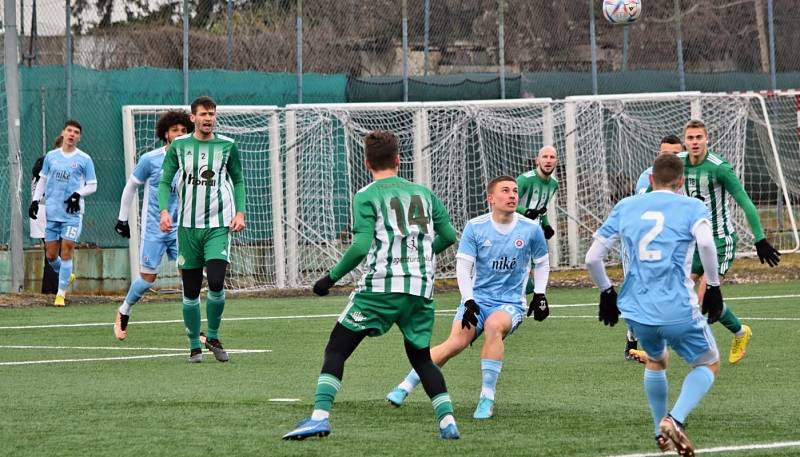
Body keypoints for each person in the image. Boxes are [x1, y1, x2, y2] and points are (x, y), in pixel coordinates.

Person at [283, 130, 460, 441]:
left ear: (367, 163)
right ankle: (447, 422)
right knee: (420, 357)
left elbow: (360, 247)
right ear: (398, 159)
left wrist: (329, 278)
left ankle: (319, 417)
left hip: (380, 289)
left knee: (336, 349)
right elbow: (448, 236)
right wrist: (418, 256)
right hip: (420, 289)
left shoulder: (366, 195)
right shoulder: (423, 193)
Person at [586, 153, 724, 456]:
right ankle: (674, 420)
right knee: (707, 362)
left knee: (656, 360)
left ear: (650, 179)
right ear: (681, 182)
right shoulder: (692, 206)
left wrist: (606, 291)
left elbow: (592, 257)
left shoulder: (626, 206)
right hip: (677, 306)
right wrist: (713, 284)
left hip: (638, 310)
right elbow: (706, 244)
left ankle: (658, 431)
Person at [385, 175, 550, 420]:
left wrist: (539, 294)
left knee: (495, 326)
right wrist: (469, 299)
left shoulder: (530, 228)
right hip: (476, 300)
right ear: (491, 198)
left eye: (515, 191)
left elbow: (542, 262)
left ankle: (486, 398)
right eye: (505, 191)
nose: (513, 195)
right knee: (455, 343)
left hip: (510, 304)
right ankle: (405, 386)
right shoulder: (476, 226)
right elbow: (463, 268)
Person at [681, 119, 780, 364]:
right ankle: (740, 331)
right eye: (690, 138)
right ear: (685, 140)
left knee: (704, 299)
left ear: (707, 139)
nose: (695, 142)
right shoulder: (679, 164)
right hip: (693, 243)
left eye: (699, 138)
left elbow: (744, 201)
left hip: (719, 241)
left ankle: (701, 353)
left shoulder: (719, 168)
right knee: (678, 293)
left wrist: (760, 239)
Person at [158, 96, 246, 363]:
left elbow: (239, 180)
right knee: (191, 290)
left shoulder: (227, 146)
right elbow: (164, 181)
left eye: (212, 114)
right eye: (203, 114)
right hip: (187, 227)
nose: (208, 118)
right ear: (192, 118)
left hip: (218, 225)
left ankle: (215, 335)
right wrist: (163, 211)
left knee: (217, 282)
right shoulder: (180, 146)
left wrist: (240, 212)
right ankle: (195, 344)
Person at [113, 110, 193, 340]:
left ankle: (194, 329)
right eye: (175, 130)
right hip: (154, 229)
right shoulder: (150, 159)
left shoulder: (192, 159)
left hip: (182, 229)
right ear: (165, 134)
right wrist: (122, 219)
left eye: (183, 130)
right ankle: (124, 310)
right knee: (148, 280)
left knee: (190, 276)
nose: (179, 133)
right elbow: (130, 187)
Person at [624, 135, 685, 360]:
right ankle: (632, 339)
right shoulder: (647, 177)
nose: (670, 158)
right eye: (666, 154)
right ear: (658, 155)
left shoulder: (685, 179)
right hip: (641, 246)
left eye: (676, 154)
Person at [29, 121, 97, 306]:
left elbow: (92, 185)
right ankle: (68, 275)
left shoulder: (84, 159)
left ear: (79, 137)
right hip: (52, 212)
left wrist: (77, 194)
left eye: (76, 132)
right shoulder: (51, 157)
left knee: (66, 251)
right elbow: (42, 180)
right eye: (69, 131)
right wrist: (35, 201)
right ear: (63, 133)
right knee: (51, 256)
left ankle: (60, 294)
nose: (72, 134)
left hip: (72, 214)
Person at [516, 145, 558, 295]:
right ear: (537, 161)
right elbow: (508, 203)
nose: (548, 160)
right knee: (521, 277)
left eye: (552, 157)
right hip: (517, 231)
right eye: (544, 157)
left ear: (556, 162)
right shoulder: (524, 180)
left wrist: (546, 225)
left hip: (535, 232)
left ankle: (537, 299)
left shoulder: (554, 184)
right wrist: (525, 211)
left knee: (539, 268)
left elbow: (542, 207)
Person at [30, 136, 64, 294]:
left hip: (42, 211)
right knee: (54, 252)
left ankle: (50, 289)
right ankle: (52, 290)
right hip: (46, 211)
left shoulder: (43, 161)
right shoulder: (52, 162)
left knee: (52, 252)